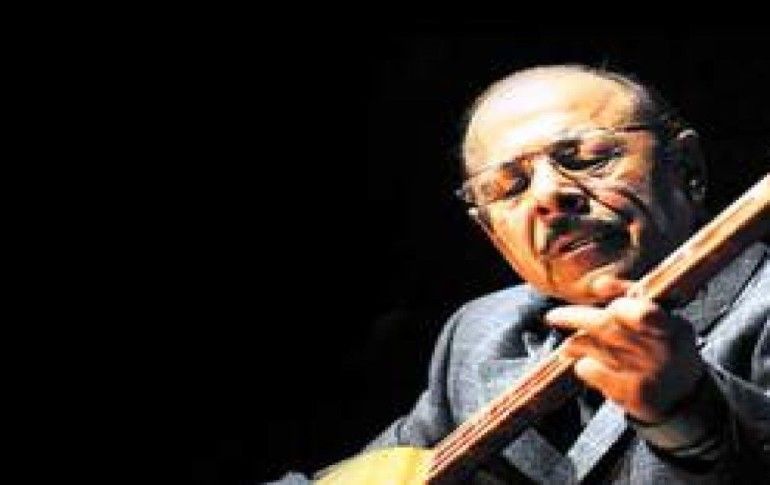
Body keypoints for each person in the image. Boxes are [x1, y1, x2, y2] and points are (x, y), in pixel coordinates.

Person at [271, 64, 769, 483]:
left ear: (687, 168)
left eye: (588, 159)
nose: (549, 195)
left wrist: (685, 415)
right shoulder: (483, 332)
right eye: (510, 187)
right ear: (491, 233)